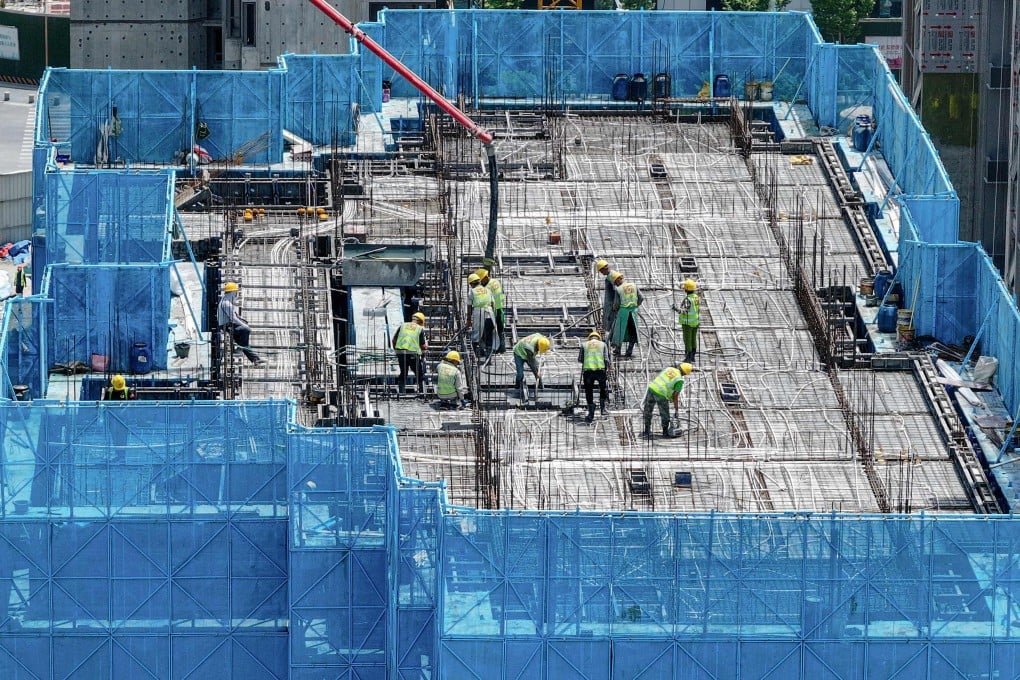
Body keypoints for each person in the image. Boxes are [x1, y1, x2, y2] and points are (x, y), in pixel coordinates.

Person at [217, 281, 264, 366]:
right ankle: (239, 348)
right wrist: (243, 325)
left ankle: (255, 359)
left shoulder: (225, 301)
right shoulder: (227, 303)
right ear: (232, 292)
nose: (236, 294)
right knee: (246, 330)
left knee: (244, 343)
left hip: (228, 324)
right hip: (227, 325)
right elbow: (233, 318)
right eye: (236, 292)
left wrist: (242, 320)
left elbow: (234, 316)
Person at [642, 363, 692, 438]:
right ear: (685, 373)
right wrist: (676, 409)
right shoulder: (679, 380)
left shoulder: (669, 369)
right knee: (664, 414)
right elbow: (675, 395)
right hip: (661, 394)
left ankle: (646, 430)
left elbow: (664, 379)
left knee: (648, 410)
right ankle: (665, 433)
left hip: (652, 388)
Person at [578, 330, 610, 423]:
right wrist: (607, 369)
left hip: (588, 371)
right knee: (603, 389)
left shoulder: (584, 345)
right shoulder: (603, 344)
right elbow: (606, 359)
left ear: (590, 338)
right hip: (600, 370)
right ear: (598, 338)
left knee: (589, 391)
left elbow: (580, 359)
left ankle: (591, 413)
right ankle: (603, 409)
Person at [392, 312, 428, 395]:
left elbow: (394, 340)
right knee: (419, 373)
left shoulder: (403, 325)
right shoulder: (419, 328)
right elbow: (423, 346)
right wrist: (423, 353)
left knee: (403, 372)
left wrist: (397, 352)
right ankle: (422, 393)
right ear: (420, 322)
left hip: (400, 352)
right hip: (412, 353)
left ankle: (401, 393)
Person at [611, 272, 643, 357]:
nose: (616, 285)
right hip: (633, 312)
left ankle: (618, 350)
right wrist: (636, 306)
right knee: (633, 332)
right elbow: (641, 298)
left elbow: (616, 304)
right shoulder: (634, 285)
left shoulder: (619, 289)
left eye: (615, 282)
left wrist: (614, 309)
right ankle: (629, 351)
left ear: (618, 280)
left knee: (619, 331)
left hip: (623, 313)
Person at [467, 273, 497, 359]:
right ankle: (488, 358)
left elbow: (469, 306)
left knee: (476, 335)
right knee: (489, 336)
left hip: (479, 313)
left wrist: (468, 319)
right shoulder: (488, 290)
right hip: (490, 314)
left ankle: (475, 356)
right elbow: (493, 304)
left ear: (471, 284)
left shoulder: (472, 291)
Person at [476, 268, 506, 353]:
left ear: (485, 277)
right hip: (500, 308)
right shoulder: (495, 281)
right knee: (500, 329)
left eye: (481, 281)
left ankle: (487, 350)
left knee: (488, 330)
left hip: (493, 311)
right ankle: (501, 348)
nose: (480, 283)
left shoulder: (487, 287)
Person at [674, 278, 701, 363]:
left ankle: (688, 358)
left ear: (687, 289)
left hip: (688, 323)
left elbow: (683, 311)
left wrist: (675, 308)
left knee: (687, 339)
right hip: (695, 322)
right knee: (693, 339)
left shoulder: (687, 299)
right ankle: (693, 356)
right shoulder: (696, 297)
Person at [596, 259, 620, 339]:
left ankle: (611, 341)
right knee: (610, 324)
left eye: (601, 271)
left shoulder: (612, 276)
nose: (601, 273)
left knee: (612, 324)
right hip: (610, 304)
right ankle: (611, 340)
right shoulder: (610, 276)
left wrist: (615, 304)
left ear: (604, 268)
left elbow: (617, 290)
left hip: (612, 305)